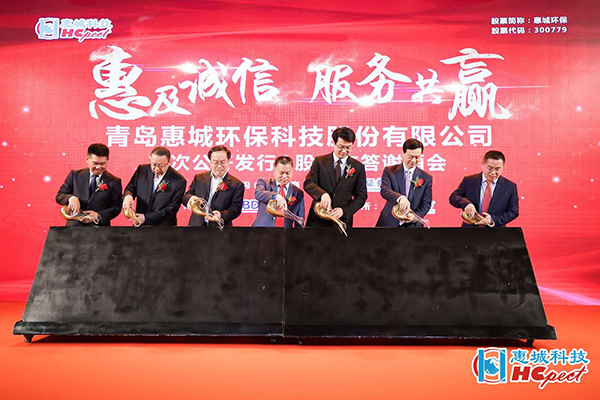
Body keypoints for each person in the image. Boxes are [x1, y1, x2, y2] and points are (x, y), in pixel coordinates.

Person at [303, 126, 367, 228]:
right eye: (341, 147)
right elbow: (308, 183)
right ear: (334, 143)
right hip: (318, 220)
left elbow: (361, 196)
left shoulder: (358, 167)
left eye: (348, 147)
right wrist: (322, 194)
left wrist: (343, 211)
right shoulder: (320, 161)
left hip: (341, 221)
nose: (344, 151)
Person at [56, 143, 122, 226]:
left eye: (102, 164)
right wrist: (71, 198)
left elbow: (116, 207)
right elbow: (60, 195)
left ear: (107, 161)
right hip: (74, 227)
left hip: (100, 229)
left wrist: (98, 216)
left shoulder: (114, 181)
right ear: (87, 159)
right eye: (95, 163)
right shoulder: (75, 175)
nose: (98, 167)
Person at [449, 150, 519, 227]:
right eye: (490, 168)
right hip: (470, 230)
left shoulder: (510, 186)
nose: (493, 173)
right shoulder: (469, 181)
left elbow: (513, 212)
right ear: (482, 164)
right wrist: (467, 204)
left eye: (497, 169)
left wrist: (492, 220)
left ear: (503, 167)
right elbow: (454, 197)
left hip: (496, 231)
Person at [182, 145, 245, 227]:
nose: (219, 166)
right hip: (196, 225)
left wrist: (221, 215)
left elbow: (236, 209)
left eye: (223, 162)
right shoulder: (199, 178)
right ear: (210, 162)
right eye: (215, 162)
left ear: (228, 162)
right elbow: (186, 196)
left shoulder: (236, 184)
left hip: (220, 228)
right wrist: (190, 198)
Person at [122, 146, 186, 226]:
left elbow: (171, 209)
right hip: (140, 226)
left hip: (164, 227)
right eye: (154, 164)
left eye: (160, 165)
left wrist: (146, 218)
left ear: (169, 162)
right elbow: (131, 188)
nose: (156, 169)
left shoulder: (179, 181)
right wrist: (128, 196)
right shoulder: (142, 170)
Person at [376, 138, 432, 227]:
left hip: (412, 225)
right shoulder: (390, 171)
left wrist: (414, 217)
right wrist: (401, 198)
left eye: (417, 157)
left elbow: (426, 204)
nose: (413, 161)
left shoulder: (426, 177)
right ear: (403, 152)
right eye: (410, 157)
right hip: (389, 222)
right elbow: (385, 190)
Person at [253, 156, 305, 228]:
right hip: (262, 231)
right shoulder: (264, 183)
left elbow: (299, 220)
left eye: (287, 173)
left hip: (285, 232)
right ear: (274, 171)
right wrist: (275, 196)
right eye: (281, 173)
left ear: (292, 171)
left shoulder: (297, 192)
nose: (284, 176)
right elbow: (258, 193)